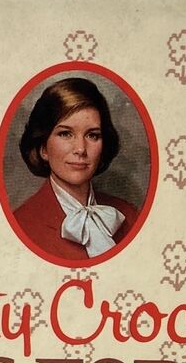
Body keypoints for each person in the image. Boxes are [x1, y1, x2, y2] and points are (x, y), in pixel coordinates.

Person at [12, 78, 140, 263]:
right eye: (65, 133)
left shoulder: (129, 215)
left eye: (92, 135)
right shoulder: (21, 225)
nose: (80, 149)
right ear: (43, 148)